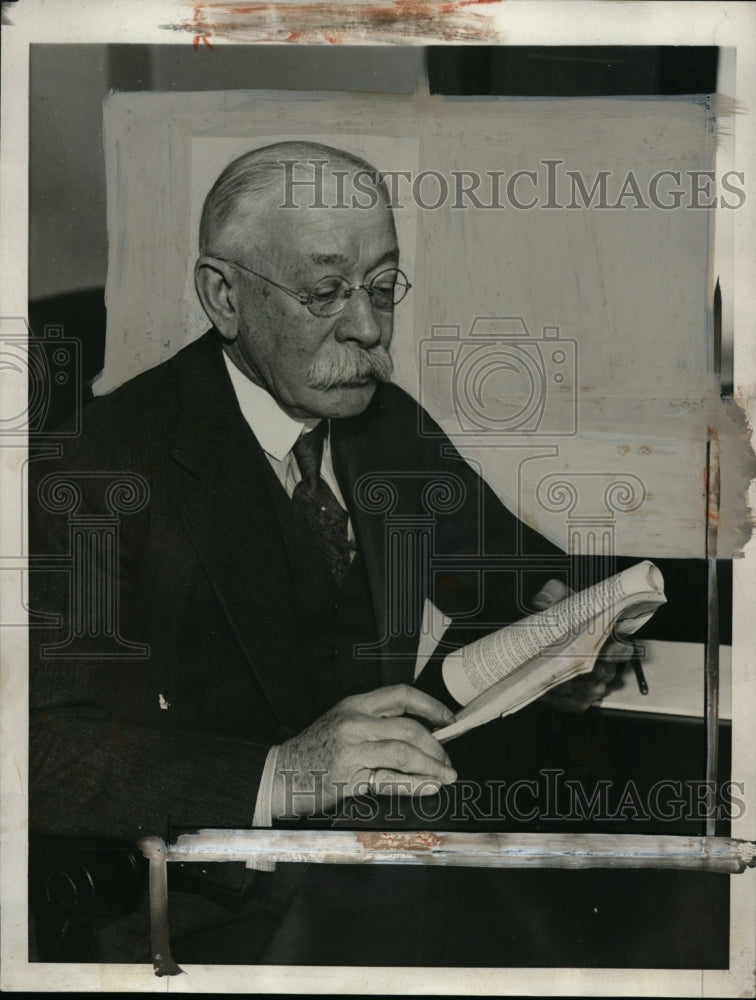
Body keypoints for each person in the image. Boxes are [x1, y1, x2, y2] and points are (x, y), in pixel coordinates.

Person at [28, 141, 620, 963]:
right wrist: (284, 774)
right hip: (208, 913)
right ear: (223, 296)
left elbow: (505, 566)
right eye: (325, 292)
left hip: (393, 875)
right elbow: (40, 749)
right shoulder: (99, 470)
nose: (371, 329)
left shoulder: (384, 423)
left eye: (382, 288)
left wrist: (563, 621)